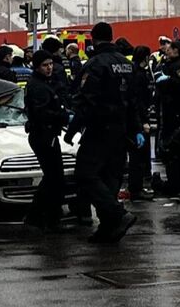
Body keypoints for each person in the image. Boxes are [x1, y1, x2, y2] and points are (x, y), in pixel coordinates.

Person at [65, 22, 142, 243]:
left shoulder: (95, 65)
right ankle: (108, 228)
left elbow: (87, 102)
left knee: (85, 174)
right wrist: (136, 128)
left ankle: (117, 215)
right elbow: (132, 101)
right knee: (110, 177)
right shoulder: (125, 64)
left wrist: (73, 130)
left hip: (99, 129)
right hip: (121, 131)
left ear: (93, 38)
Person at [23, 50, 72, 232]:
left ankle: (44, 215)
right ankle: (41, 215)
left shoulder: (44, 83)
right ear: (37, 67)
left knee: (54, 177)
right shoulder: (38, 86)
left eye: (51, 63)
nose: (49, 68)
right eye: (45, 65)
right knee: (54, 177)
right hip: (44, 135)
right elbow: (42, 113)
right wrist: (64, 116)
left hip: (48, 134)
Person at [155, 40, 180, 157]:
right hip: (168, 104)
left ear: (176, 50)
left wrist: (167, 80)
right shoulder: (169, 63)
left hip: (176, 106)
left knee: (174, 132)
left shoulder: (179, 65)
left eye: (169, 49)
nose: (167, 51)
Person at [128, 46, 153, 201]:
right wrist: (142, 121)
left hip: (137, 117)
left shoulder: (136, 72)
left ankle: (136, 187)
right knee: (138, 157)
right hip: (138, 119)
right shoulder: (139, 75)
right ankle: (136, 189)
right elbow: (137, 101)